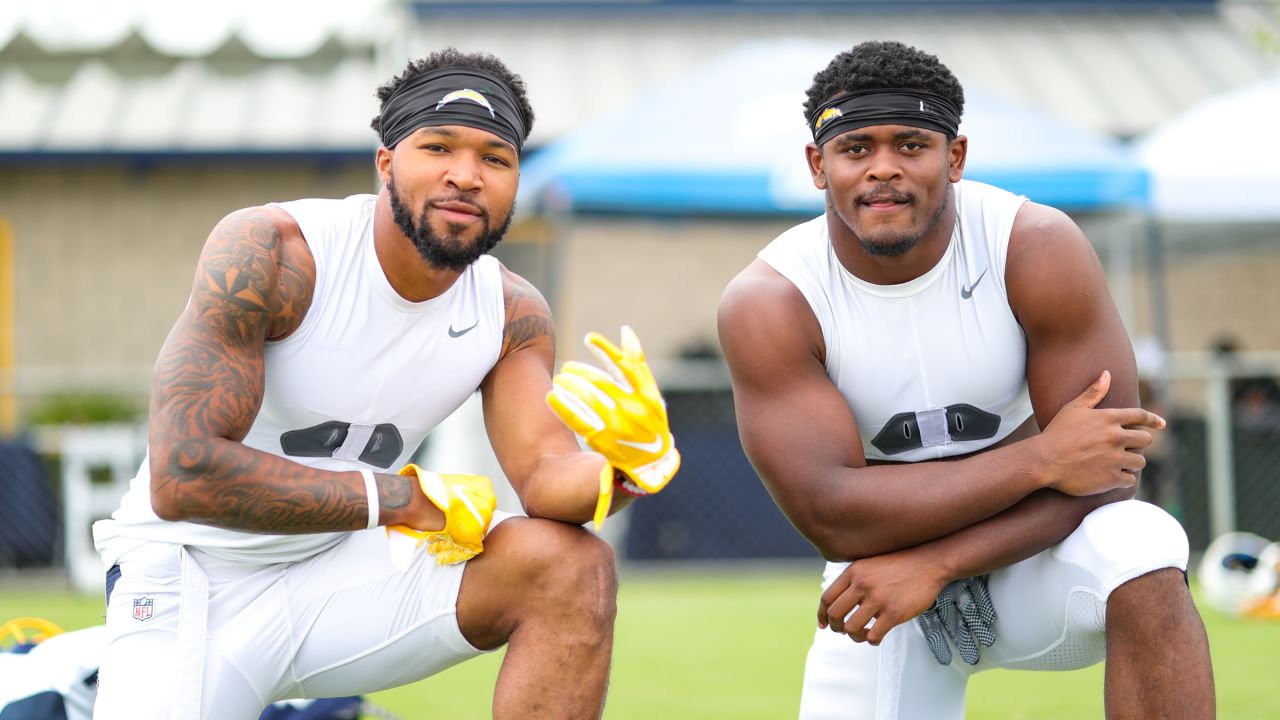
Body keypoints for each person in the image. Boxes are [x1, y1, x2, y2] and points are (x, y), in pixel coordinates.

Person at [91, 48, 680, 719]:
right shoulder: (275, 251)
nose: (466, 176)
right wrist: (402, 499)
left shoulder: (514, 311)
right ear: (385, 161)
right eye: (438, 147)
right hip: (189, 575)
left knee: (570, 568)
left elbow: (547, 477)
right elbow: (184, 476)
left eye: (496, 158)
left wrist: (626, 468)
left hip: (338, 573)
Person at [717, 41, 1214, 719]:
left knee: (1143, 541)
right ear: (817, 164)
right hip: (882, 584)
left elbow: (1109, 467)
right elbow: (831, 511)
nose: (883, 169)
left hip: (1034, 556)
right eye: (855, 148)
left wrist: (940, 563)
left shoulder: (1034, 244)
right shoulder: (771, 300)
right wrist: (1043, 457)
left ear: (954, 157)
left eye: (912, 144)